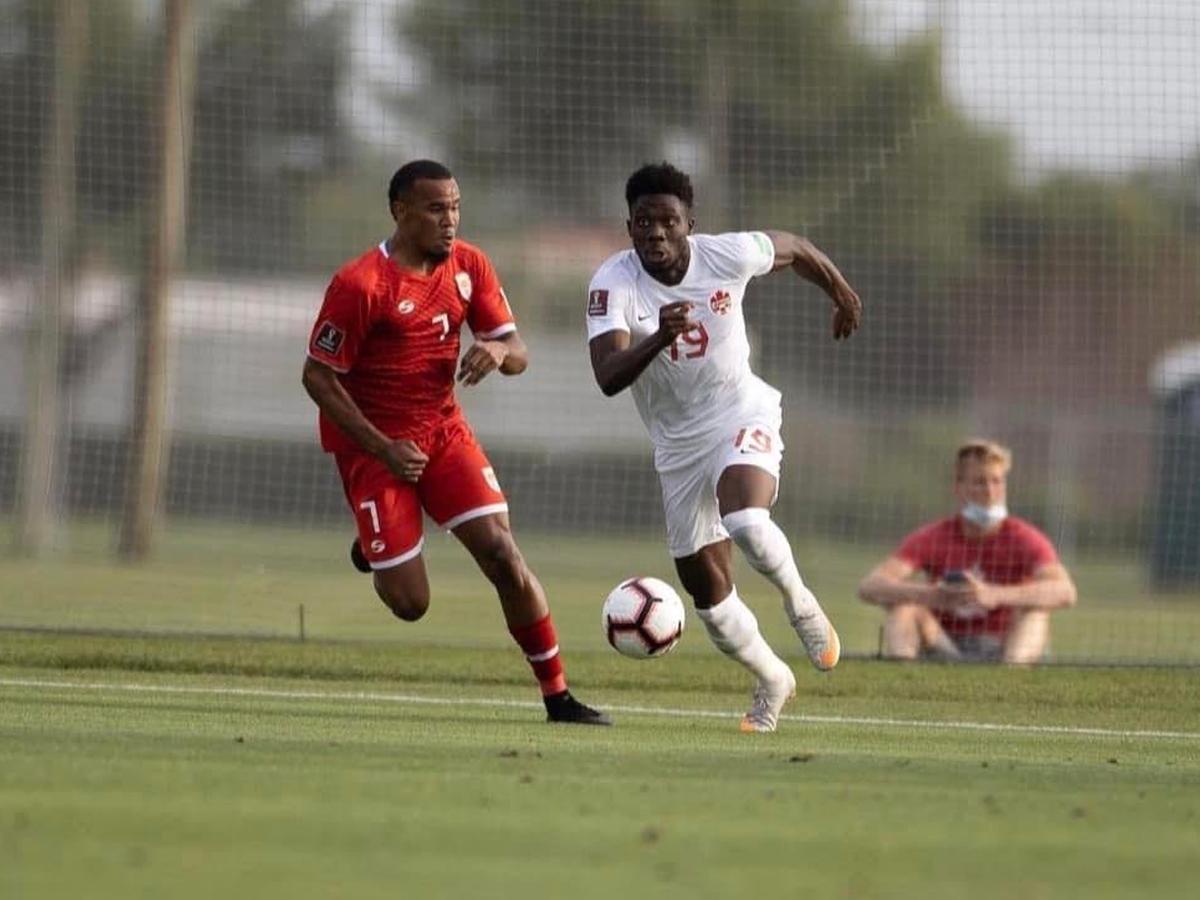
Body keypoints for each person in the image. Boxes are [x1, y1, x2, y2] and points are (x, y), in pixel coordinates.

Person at [302, 159, 610, 726]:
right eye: (436, 208)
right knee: (410, 605)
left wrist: (498, 350)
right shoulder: (360, 284)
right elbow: (317, 377)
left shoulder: (470, 266)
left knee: (501, 552)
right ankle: (374, 549)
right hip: (376, 452)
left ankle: (558, 696)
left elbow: (517, 352)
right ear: (400, 211)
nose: (450, 220)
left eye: (456, 207)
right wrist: (382, 447)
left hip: (444, 434)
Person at [585, 162, 863, 733]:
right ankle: (773, 680)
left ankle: (800, 603)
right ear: (629, 226)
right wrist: (658, 336)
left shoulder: (727, 254)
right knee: (709, 600)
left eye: (668, 221)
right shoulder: (612, 284)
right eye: (643, 223)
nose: (655, 234)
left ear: (691, 222)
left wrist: (840, 290)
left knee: (746, 520)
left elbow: (795, 248)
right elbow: (609, 375)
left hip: (742, 411)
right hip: (677, 446)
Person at [858, 440, 1077, 663]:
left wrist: (994, 594)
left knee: (1035, 614)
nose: (990, 492)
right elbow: (870, 586)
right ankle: (902, 680)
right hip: (944, 643)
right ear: (959, 487)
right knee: (904, 609)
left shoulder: (1024, 537)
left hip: (1004, 646)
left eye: (997, 481)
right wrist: (931, 595)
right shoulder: (935, 536)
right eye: (980, 483)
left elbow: (1065, 591)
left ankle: (1009, 680)